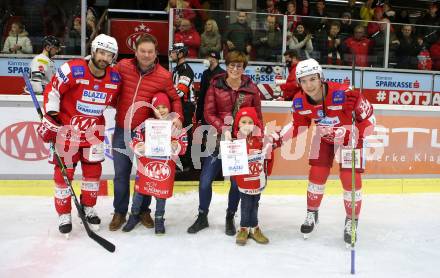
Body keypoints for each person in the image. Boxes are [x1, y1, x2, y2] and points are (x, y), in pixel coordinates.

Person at [36, 34, 121, 235]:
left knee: (93, 173)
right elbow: (53, 91)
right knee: (63, 174)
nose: (104, 58)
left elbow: (118, 101)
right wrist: (51, 116)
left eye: (109, 55)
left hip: (94, 133)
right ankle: (64, 213)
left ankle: (88, 207)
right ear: (93, 51)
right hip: (67, 131)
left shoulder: (115, 78)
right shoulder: (72, 69)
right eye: (101, 52)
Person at [284, 58, 375, 244]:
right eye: (304, 81)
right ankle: (312, 214)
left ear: (321, 77)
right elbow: (297, 126)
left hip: (351, 138)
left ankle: (352, 220)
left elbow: (371, 122)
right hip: (324, 138)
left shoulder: (343, 93)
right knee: (316, 174)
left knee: (350, 178)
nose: (309, 85)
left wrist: (356, 113)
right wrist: (276, 139)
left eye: (312, 79)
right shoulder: (299, 101)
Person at [110, 34, 183, 232]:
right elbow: (107, 80)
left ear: (155, 53)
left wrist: (177, 117)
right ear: (136, 51)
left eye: (150, 51)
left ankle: (144, 211)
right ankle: (119, 212)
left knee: (148, 173)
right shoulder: (123, 66)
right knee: (121, 174)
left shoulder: (164, 75)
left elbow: (175, 99)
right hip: (121, 130)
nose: (146, 55)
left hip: (147, 133)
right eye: (142, 51)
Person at [187, 50, 262, 236]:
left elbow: (258, 117)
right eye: (232, 65)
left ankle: (230, 216)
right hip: (217, 140)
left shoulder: (252, 88)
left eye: (239, 65)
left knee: (236, 184)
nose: (235, 69)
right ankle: (202, 216)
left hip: (240, 144)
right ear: (226, 65)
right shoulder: (216, 84)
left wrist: (253, 138)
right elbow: (208, 112)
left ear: (244, 68)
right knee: (205, 181)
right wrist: (224, 129)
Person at [122, 93, 188, 234]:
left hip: (164, 165)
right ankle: (134, 215)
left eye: (164, 107)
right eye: (158, 107)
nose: (161, 110)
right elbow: (136, 138)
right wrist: (139, 146)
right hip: (146, 164)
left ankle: (159, 218)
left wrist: (175, 145)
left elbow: (183, 144)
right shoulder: (146, 124)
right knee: (139, 191)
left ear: (169, 108)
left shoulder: (175, 125)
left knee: (161, 193)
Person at [232, 107, 278, 246]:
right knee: (246, 203)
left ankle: (254, 228)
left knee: (255, 203)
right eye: (243, 122)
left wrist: (267, 171)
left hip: (257, 179)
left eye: (250, 122)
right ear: (238, 124)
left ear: (255, 124)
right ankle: (244, 228)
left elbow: (269, 157)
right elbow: (231, 161)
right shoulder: (235, 141)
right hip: (244, 180)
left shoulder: (261, 140)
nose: (247, 125)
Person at [169, 42, 195, 171]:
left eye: (174, 52)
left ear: (181, 53)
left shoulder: (186, 70)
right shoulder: (176, 69)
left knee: (184, 134)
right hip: (179, 105)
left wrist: (167, 90)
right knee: (177, 134)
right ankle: (180, 161)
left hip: (186, 106)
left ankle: (186, 164)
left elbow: (180, 92)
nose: (171, 54)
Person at [196, 51, 225, 126]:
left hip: (217, 112)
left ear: (216, 60)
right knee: (205, 134)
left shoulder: (223, 74)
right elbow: (202, 94)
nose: (208, 59)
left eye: (211, 58)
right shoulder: (205, 73)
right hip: (205, 111)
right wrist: (198, 114)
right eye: (208, 57)